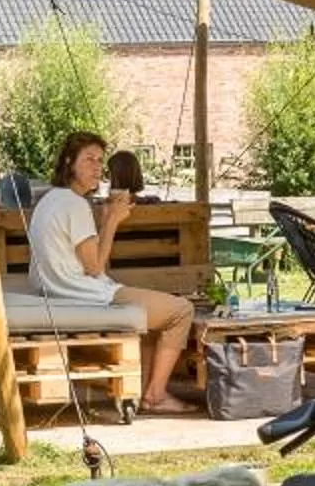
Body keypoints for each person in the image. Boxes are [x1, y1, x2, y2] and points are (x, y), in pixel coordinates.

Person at [28, 131, 196, 414]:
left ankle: (145, 391)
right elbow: (94, 269)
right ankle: (156, 396)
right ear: (70, 162)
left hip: (63, 290)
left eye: (100, 161)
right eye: (89, 160)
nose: (97, 168)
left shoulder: (50, 199)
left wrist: (105, 219)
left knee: (155, 318)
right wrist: (113, 221)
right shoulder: (74, 204)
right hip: (86, 294)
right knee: (181, 310)